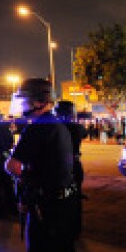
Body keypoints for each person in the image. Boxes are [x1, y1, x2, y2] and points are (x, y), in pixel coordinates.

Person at [0, 78, 81, 252]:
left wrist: (25, 180)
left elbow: (12, 166)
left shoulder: (37, 129)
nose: (22, 104)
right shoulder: (61, 125)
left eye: (25, 99)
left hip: (46, 208)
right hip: (66, 205)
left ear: (38, 101)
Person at [56, 101, 86, 240]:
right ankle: (76, 230)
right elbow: (84, 134)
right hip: (75, 165)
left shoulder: (56, 128)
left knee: (60, 199)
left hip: (60, 167)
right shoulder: (77, 128)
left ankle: (63, 229)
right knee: (76, 197)